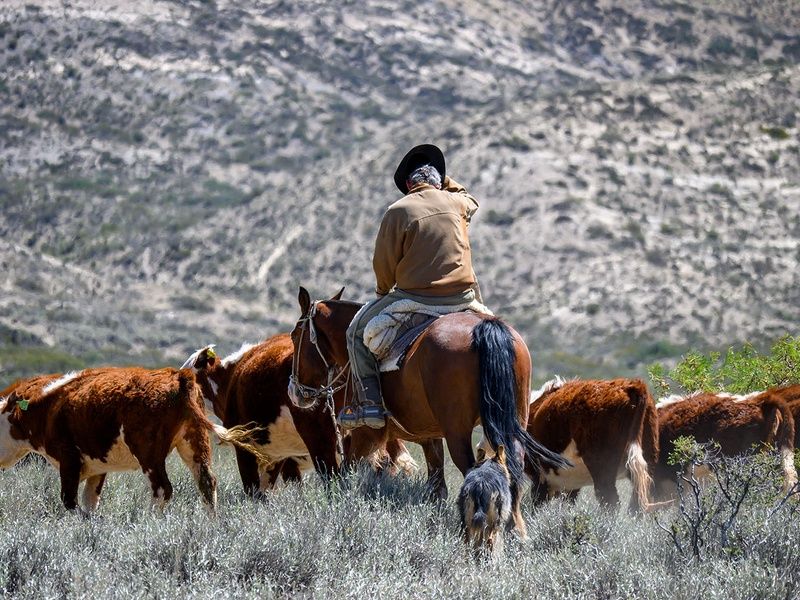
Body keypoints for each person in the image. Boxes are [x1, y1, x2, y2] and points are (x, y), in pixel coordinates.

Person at [339, 144, 482, 429]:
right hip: (463, 297)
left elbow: (384, 263)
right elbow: (470, 198)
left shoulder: (398, 210)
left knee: (355, 332)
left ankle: (370, 404)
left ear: (408, 185)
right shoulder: (458, 204)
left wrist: (382, 293)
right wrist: (445, 180)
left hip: (417, 297)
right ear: (439, 182)